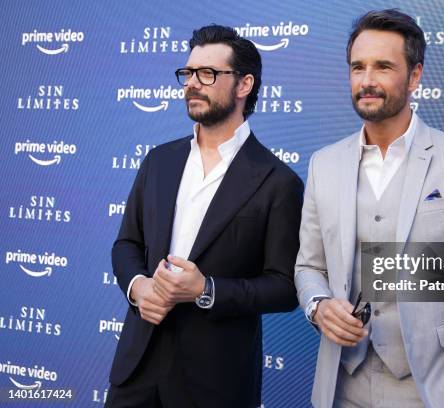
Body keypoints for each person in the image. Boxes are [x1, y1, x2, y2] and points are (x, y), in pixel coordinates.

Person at [295, 9, 444, 408]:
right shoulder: (323, 164)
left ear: (415, 76)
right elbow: (309, 266)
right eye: (357, 67)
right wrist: (318, 305)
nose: (367, 81)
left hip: (429, 387)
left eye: (383, 67)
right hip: (342, 384)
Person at [106, 24, 303, 408]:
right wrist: (139, 287)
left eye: (208, 74)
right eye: (188, 73)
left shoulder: (278, 181)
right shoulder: (159, 160)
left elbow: (284, 287)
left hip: (215, 383)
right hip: (136, 368)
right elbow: (126, 244)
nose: (192, 84)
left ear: (244, 84)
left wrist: (206, 290)